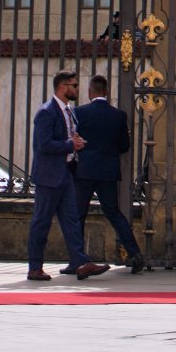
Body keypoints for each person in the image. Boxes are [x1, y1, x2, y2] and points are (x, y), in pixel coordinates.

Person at [26, 70, 110, 281]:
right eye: (74, 85)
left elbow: (67, 137)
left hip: (67, 172)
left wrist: (76, 142)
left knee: (71, 219)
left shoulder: (69, 111)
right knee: (42, 222)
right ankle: (35, 267)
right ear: (63, 87)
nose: (77, 89)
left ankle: (80, 262)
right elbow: (43, 145)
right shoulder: (46, 112)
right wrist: (69, 144)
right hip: (48, 176)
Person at [73, 75, 146, 274]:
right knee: (113, 213)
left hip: (85, 171)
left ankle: (78, 260)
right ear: (106, 92)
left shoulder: (79, 112)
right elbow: (124, 146)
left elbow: (74, 140)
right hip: (108, 171)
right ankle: (135, 253)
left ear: (90, 92)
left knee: (79, 215)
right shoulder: (119, 116)